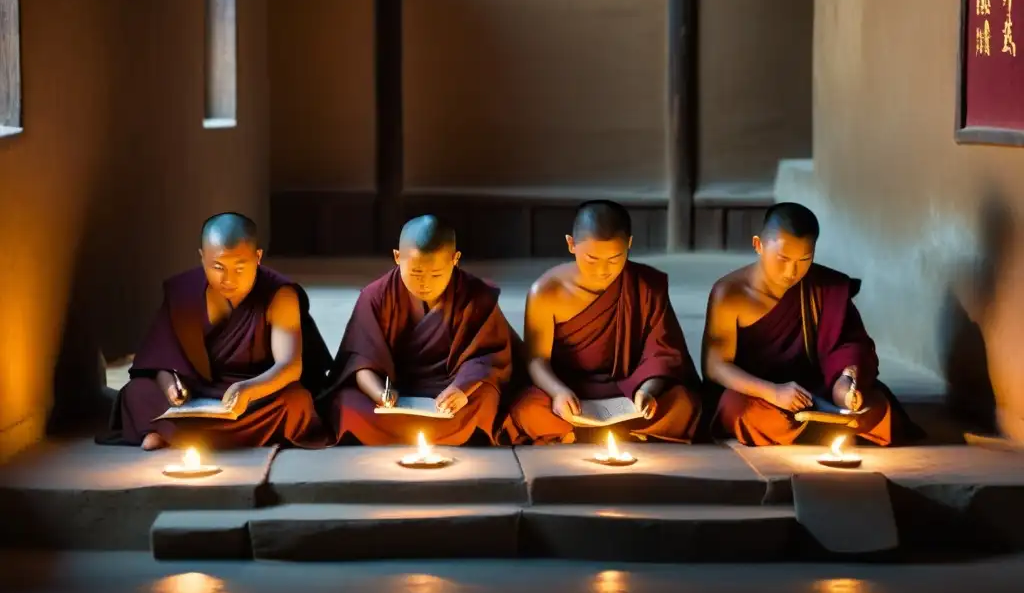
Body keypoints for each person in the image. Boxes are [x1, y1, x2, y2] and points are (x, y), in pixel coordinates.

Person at [103, 213, 332, 450]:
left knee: (295, 401)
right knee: (137, 392)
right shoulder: (184, 292)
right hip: (196, 391)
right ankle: (197, 434)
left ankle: (172, 434)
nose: (228, 279)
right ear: (202, 258)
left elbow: (289, 366)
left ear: (258, 258)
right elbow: (160, 359)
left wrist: (249, 389)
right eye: (218, 267)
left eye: (240, 267)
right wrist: (171, 387)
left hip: (257, 391)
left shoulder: (279, 295)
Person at [703, 202, 917, 446]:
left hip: (817, 389)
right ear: (758, 245)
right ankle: (832, 429)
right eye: (782, 259)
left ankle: (822, 425)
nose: (792, 271)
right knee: (740, 411)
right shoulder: (730, 293)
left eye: (804, 259)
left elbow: (849, 344)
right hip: (758, 391)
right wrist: (773, 392)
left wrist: (846, 383)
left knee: (878, 408)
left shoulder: (825, 286)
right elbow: (716, 366)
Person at [505, 200, 702, 444]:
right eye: (591, 258)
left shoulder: (646, 285)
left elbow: (662, 354)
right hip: (570, 389)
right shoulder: (547, 292)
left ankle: (577, 435)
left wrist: (647, 391)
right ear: (571, 244)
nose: (603, 269)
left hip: (628, 388)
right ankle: (624, 433)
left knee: (683, 404)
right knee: (528, 409)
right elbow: (537, 360)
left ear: (629, 244)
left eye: (615, 258)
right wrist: (558, 392)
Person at [323, 215, 513, 445]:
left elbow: (488, 357)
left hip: (449, 391)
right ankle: (442, 434)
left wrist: (461, 389)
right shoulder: (376, 296)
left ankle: (402, 433)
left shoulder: (476, 295)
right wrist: (379, 395)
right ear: (397, 257)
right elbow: (359, 361)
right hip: (394, 392)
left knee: (485, 399)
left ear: (455, 259)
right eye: (415, 273)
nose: (425, 283)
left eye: (435, 274)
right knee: (347, 404)